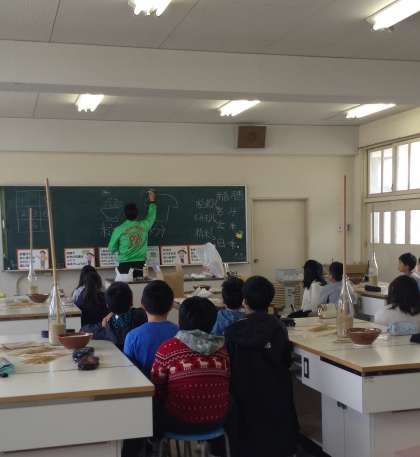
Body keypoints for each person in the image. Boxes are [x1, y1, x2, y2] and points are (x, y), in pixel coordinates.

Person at [225, 276, 299, 457]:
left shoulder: (232, 331)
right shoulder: (279, 328)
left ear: (244, 301)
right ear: (270, 301)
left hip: (243, 405)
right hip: (277, 402)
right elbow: (285, 360)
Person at [151, 297, 230, 437]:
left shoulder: (167, 348)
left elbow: (157, 388)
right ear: (213, 322)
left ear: (180, 320)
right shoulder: (222, 350)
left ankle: (153, 443)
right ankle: (218, 446)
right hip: (218, 421)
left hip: (178, 422)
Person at [124, 280, 178, 377]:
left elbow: (128, 373)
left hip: (144, 386)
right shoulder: (180, 333)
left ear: (142, 305)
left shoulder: (132, 337)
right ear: (171, 305)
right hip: (173, 386)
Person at [81, 282, 147, 350]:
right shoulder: (142, 316)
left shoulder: (106, 326)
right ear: (131, 301)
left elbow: (83, 331)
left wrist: (103, 324)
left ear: (107, 305)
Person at [108, 191, 157, 278]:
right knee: (141, 286)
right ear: (137, 214)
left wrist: (120, 248)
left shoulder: (119, 229)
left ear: (124, 214)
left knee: (124, 287)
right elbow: (151, 216)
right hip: (140, 265)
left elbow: (111, 248)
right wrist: (152, 202)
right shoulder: (144, 226)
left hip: (124, 266)